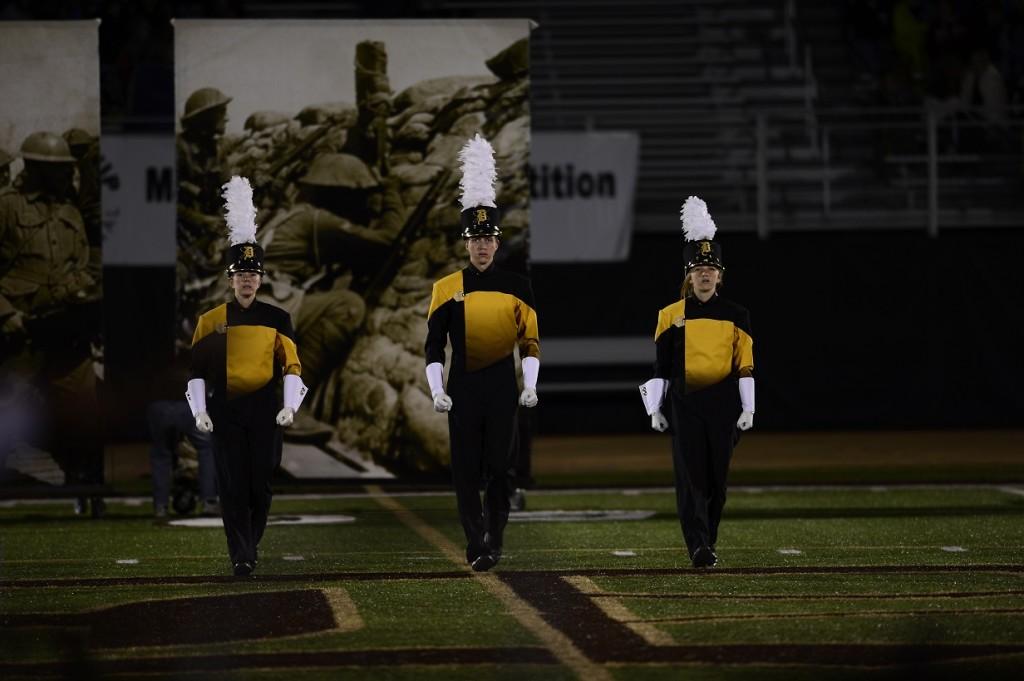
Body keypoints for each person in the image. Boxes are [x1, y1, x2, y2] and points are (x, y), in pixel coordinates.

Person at [424, 134, 540, 572]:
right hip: (462, 389)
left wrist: (530, 384)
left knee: (500, 471)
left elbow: (530, 342)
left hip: (501, 389)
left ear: (498, 240)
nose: (483, 246)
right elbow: (433, 345)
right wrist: (437, 390)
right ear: (465, 242)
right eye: (476, 239)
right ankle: (477, 544)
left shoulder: (518, 287)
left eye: (489, 238)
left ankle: (495, 536)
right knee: (465, 473)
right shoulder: (445, 288)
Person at [186, 176, 307, 577]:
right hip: (226, 409)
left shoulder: (278, 318)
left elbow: (292, 365)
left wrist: (291, 405)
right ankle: (241, 553)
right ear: (230, 277)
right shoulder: (212, 320)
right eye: (241, 273)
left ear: (262, 277)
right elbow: (196, 372)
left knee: (260, 486)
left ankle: (250, 543)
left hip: (265, 409)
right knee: (232, 486)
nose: (247, 279)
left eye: (253, 273)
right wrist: (200, 411)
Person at [640, 196, 755, 569]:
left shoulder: (737, 315)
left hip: (724, 405)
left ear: (720, 274)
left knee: (716, 483)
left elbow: (745, 367)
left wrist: (749, 407)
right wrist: (654, 408)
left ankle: (709, 540)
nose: (705, 274)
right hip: (685, 404)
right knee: (690, 479)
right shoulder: (670, 315)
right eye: (698, 268)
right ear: (689, 275)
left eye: (711, 268)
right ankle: (698, 545)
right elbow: (660, 365)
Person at [0, 131, 104, 517]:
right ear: (36, 169)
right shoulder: (6, 207)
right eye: (59, 170)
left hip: (63, 330)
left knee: (83, 411)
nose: (68, 177)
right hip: (17, 334)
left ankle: (87, 490)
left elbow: (78, 267)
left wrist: (83, 292)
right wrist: (6, 313)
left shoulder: (70, 212)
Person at [147, 356, 218, 518]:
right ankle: (209, 501)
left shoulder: (162, 366)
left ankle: (160, 506)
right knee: (207, 449)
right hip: (188, 407)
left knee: (161, 455)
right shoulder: (194, 364)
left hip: (159, 408)